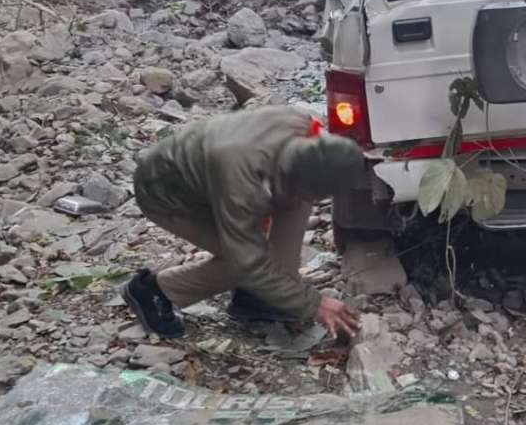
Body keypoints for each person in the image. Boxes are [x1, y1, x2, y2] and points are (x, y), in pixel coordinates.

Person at [121, 106, 363, 339]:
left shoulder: (307, 133)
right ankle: (154, 290)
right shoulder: (240, 175)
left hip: (222, 174)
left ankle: (261, 298)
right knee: (241, 263)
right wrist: (313, 304)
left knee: (295, 205)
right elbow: (247, 261)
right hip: (169, 194)